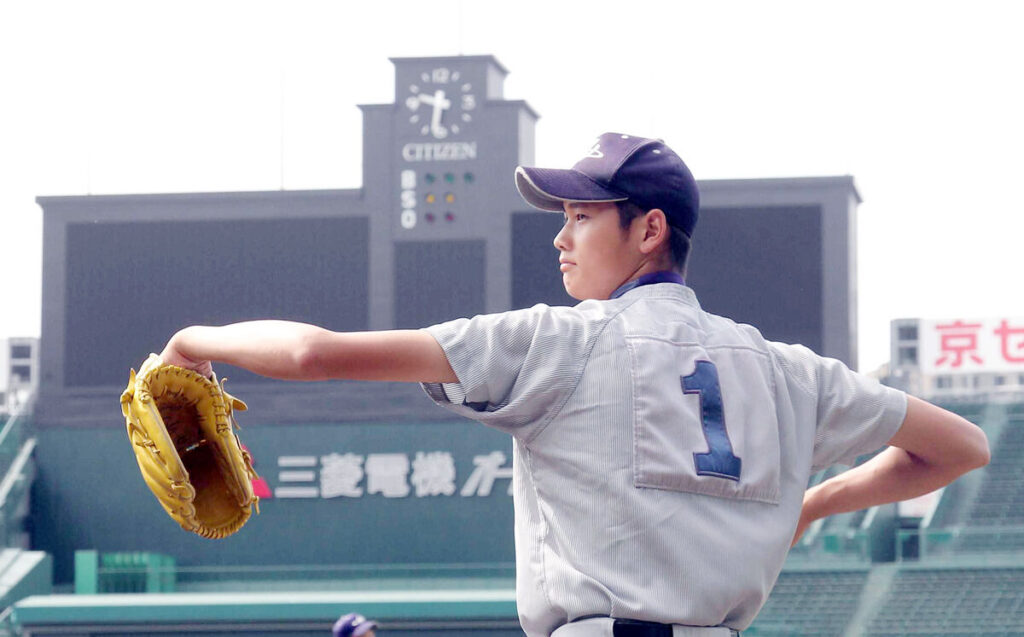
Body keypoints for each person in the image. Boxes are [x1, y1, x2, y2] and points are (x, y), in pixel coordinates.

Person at [160, 132, 990, 637]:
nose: (562, 236)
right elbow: (960, 446)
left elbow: (315, 355)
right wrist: (808, 506)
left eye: (582, 215)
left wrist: (190, 339)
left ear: (649, 229)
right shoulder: (789, 369)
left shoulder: (557, 340)